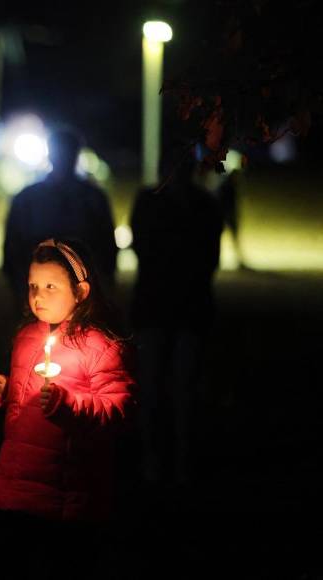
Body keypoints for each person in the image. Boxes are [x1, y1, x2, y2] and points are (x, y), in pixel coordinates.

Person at [0, 238, 134, 580]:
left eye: (51, 286)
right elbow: (26, 398)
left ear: (80, 292)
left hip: (65, 498)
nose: (38, 295)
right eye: (33, 285)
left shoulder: (99, 345)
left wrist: (70, 406)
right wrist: (3, 392)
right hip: (13, 488)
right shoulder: (26, 338)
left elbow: (119, 410)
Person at [130, 151, 223, 487]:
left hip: (176, 305)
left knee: (177, 386)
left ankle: (172, 460)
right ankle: (162, 459)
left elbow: (144, 247)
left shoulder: (195, 205)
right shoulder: (200, 204)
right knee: (161, 385)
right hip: (168, 305)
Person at [2, 129, 118, 311]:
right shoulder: (28, 198)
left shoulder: (92, 198)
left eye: (67, 152)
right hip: (40, 293)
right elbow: (12, 247)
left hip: (84, 294)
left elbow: (107, 247)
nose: (64, 158)